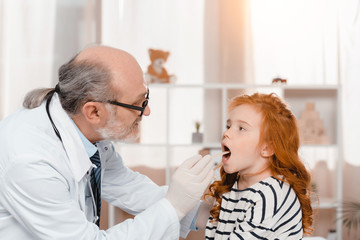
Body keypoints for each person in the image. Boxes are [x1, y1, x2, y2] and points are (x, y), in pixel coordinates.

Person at [0, 45, 214, 239]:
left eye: (145, 98)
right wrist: (173, 206)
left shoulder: (85, 129)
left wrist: (201, 212)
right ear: (94, 111)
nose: (146, 111)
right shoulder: (30, 161)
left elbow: (126, 186)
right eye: (137, 104)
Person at [202, 93, 313, 239]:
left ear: (267, 148)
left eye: (241, 128)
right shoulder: (232, 187)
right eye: (228, 126)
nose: (226, 133)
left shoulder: (270, 195)